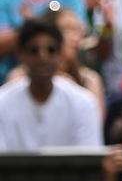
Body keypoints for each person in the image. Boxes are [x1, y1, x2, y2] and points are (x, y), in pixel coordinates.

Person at [0, 17, 102, 150]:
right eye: (34, 50)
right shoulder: (2, 102)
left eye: (51, 50)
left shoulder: (83, 103)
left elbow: (88, 160)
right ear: (20, 55)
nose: (43, 57)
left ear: (60, 54)